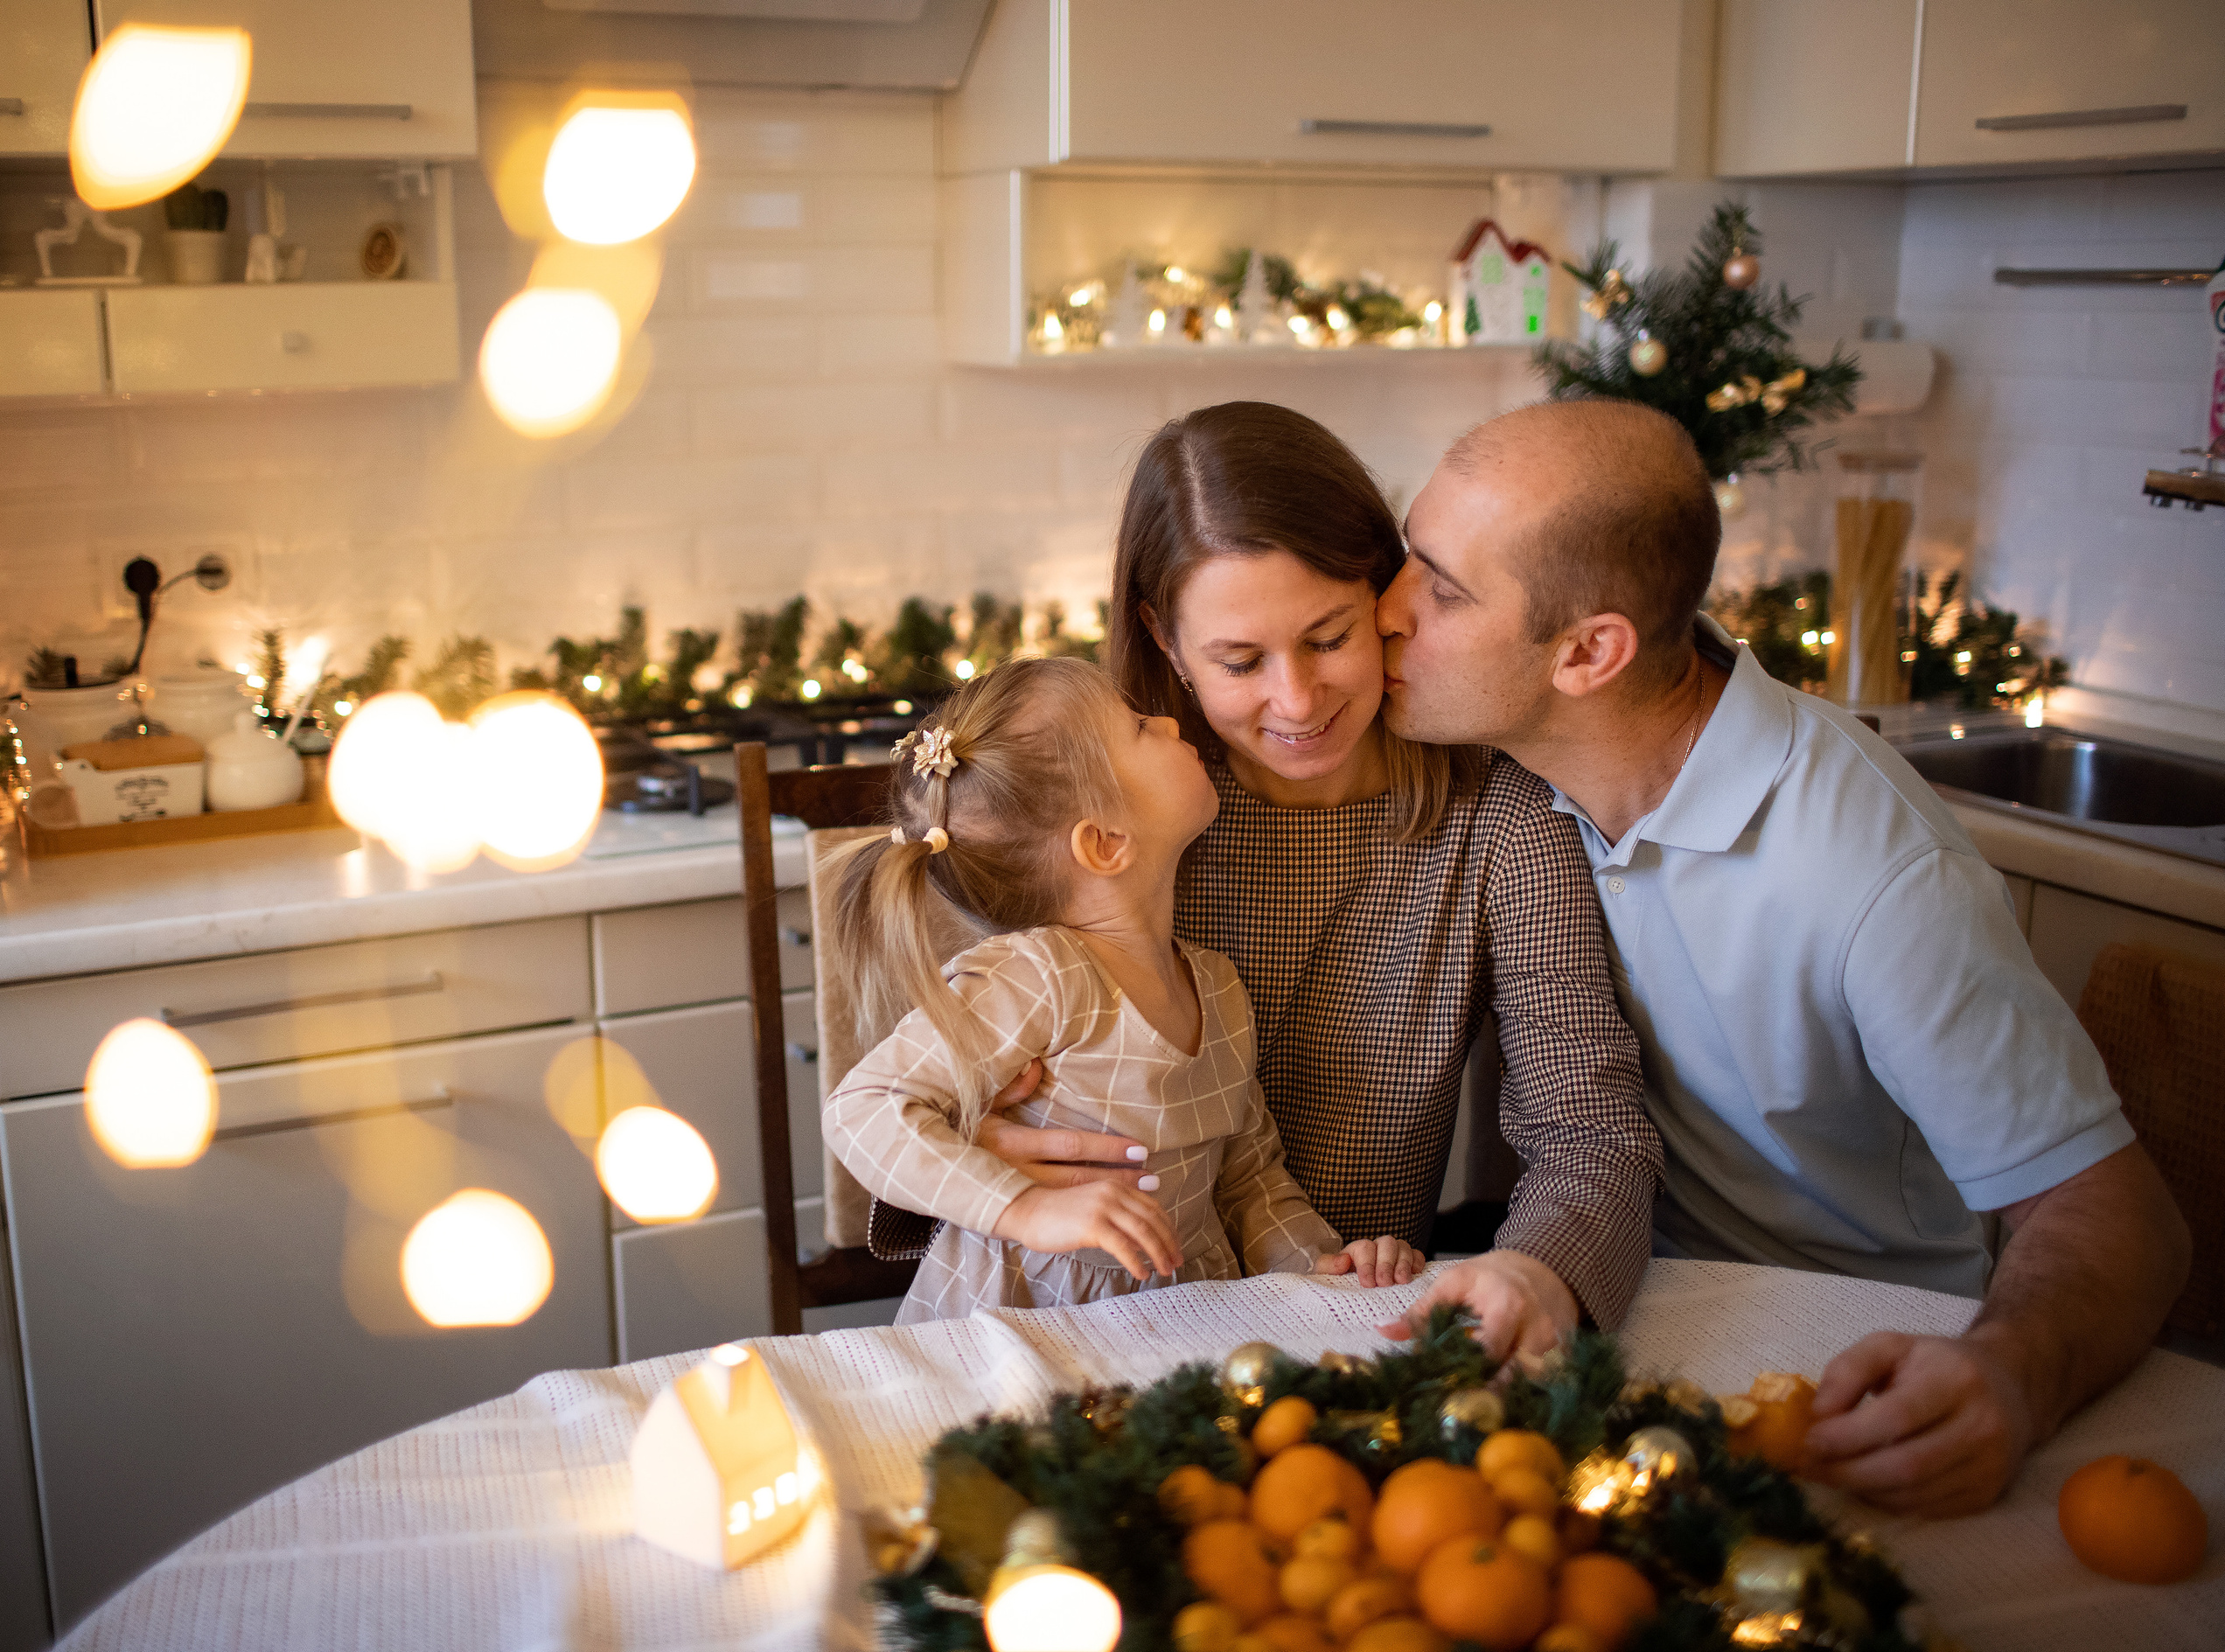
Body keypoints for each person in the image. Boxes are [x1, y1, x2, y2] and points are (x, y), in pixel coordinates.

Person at [1380, 396, 2192, 1515]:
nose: (1384, 610)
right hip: (1594, 1292)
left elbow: (2116, 1216)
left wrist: (2011, 1371)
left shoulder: (1873, 872)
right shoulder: (1512, 766)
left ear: (1586, 652)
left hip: (1832, 1365)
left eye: (1439, 586)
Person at [960, 402, 1661, 1356]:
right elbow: (917, 1104)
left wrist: (1535, 1269)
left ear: (1388, 593)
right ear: (1164, 638)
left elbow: (1590, 1128)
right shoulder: (1093, 813)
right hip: (1101, 1329)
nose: (1296, 701)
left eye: (1329, 636)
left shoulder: (1495, 820)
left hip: (1353, 1330)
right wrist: (974, 1146)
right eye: (1239, 661)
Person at [820, 655, 1423, 1323]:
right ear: (1105, 844)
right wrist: (1027, 1208)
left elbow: (1249, 1180)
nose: (1168, 721)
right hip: (1020, 1329)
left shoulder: (1219, 988)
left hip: (1184, 1325)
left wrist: (1325, 1268)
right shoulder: (1039, 975)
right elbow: (864, 1107)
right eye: (1139, 726)